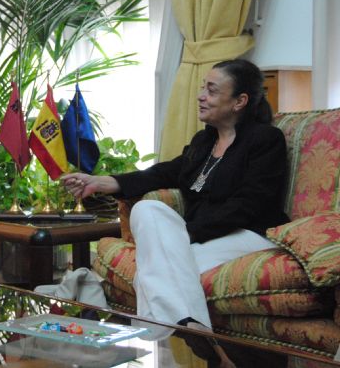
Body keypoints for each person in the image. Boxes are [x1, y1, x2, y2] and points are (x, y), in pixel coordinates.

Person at [62, 59, 289, 366]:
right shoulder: (204, 141)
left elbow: (250, 205)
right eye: (202, 87)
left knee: (155, 265)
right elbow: (162, 173)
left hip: (250, 235)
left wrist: (184, 236)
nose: (201, 95)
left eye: (211, 89)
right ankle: (197, 329)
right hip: (200, 239)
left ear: (240, 101)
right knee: (147, 210)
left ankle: (163, 332)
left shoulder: (265, 140)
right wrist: (101, 182)